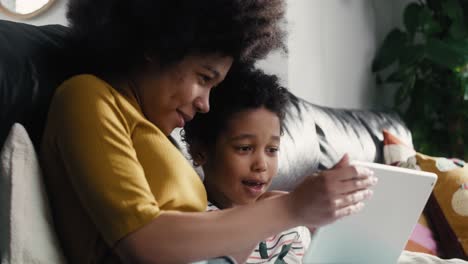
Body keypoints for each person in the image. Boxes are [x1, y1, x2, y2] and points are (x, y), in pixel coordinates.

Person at [40, 0, 377, 263]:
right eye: (204, 79)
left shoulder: (156, 134)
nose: (205, 104)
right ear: (157, 50)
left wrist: (272, 213)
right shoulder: (87, 96)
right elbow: (144, 243)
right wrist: (290, 210)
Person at [183, 65, 312, 263]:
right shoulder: (191, 224)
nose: (261, 164)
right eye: (244, 148)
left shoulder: (289, 229)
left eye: (272, 150)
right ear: (200, 151)